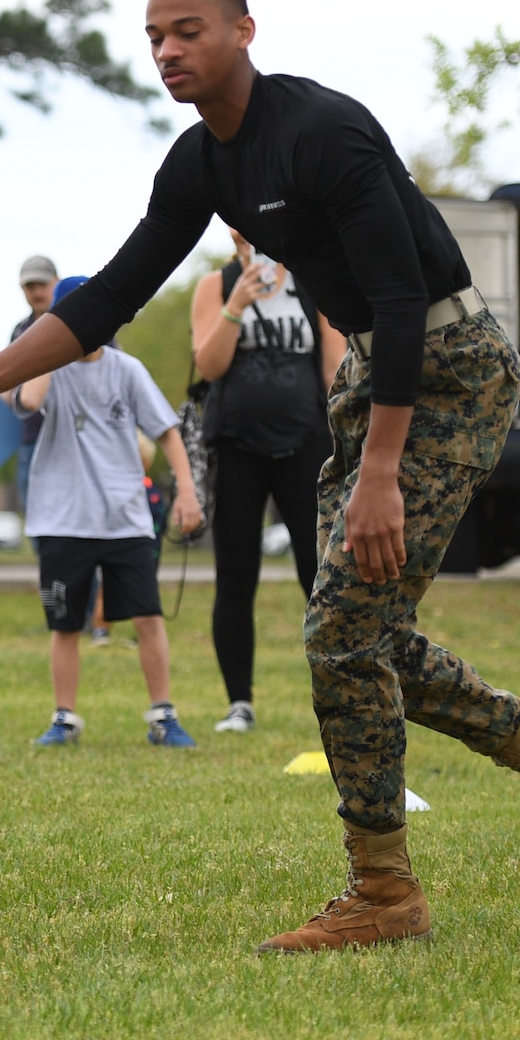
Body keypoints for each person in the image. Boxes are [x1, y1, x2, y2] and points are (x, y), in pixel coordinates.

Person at [0, 0, 520, 952]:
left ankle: (385, 890)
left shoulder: (322, 130)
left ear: (243, 30)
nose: (165, 52)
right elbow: (103, 300)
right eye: (153, 36)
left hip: (448, 367)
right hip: (372, 374)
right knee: (359, 630)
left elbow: (404, 299)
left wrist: (377, 474)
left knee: (340, 632)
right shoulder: (200, 162)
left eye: (186, 30)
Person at [10, 314, 204, 747]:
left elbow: (167, 433)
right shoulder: (47, 368)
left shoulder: (126, 369)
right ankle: (64, 718)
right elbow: (27, 402)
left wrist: (187, 492)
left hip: (125, 520)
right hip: (61, 522)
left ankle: (163, 716)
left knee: (149, 617)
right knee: (64, 624)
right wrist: (47, 346)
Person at [190, 227, 343, 732]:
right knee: (236, 576)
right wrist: (236, 303)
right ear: (233, 233)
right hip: (236, 446)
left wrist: (354, 440)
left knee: (317, 574)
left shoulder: (309, 284)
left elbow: (335, 369)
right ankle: (240, 703)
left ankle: (341, 693)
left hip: (305, 445)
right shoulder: (217, 285)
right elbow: (209, 366)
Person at [11, 255, 59, 515]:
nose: (37, 292)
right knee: (35, 515)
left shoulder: (82, 323)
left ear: (56, 283)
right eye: (30, 287)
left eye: (42, 284)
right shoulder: (20, 332)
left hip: (75, 435)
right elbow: (12, 386)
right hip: (33, 437)